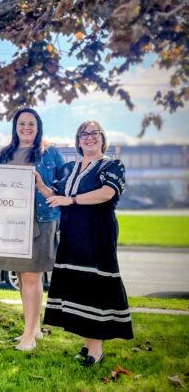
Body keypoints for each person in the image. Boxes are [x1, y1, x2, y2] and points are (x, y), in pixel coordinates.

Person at [36, 120, 133, 367]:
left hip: (97, 234)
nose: (89, 137)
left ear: (102, 138)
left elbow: (106, 194)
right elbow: (55, 196)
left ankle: (96, 351)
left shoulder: (112, 165)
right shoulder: (69, 168)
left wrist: (72, 200)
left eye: (94, 133)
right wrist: (39, 184)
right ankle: (88, 345)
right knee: (78, 286)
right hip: (72, 235)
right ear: (78, 141)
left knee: (94, 287)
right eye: (84, 134)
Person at [0, 108, 65, 351]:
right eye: (22, 123)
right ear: (15, 127)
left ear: (38, 127)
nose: (26, 128)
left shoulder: (51, 153)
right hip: (12, 221)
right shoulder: (4, 154)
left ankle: (29, 336)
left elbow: (62, 191)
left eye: (31, 124)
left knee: (33, 276)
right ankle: (33, 329)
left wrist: (41, 185)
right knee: (22, 276)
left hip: (41, 220)